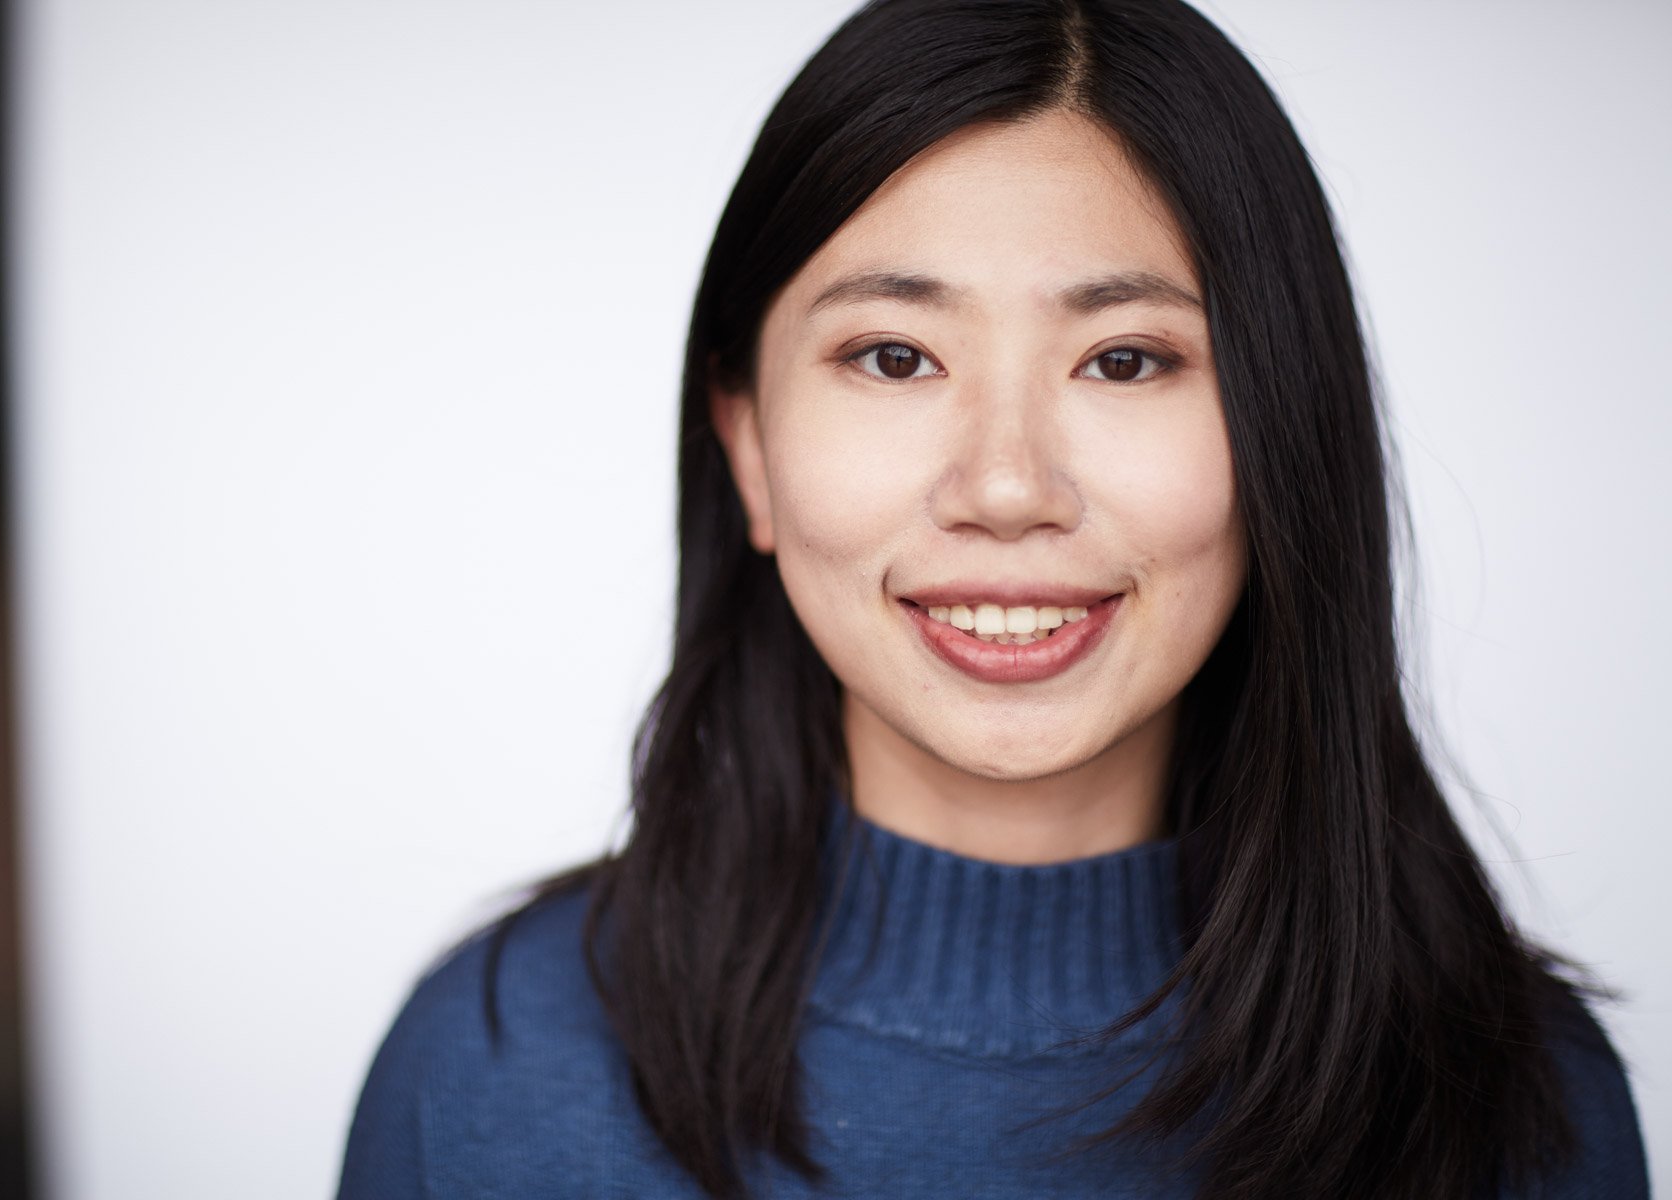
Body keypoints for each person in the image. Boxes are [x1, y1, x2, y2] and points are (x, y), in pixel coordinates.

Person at [337, 0, 1650, 1196]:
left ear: (1283, 435)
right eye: (895, 356)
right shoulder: (490, 1070)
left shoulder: (1523, 1096)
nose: (1008, 485)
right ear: (747, 447)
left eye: (1125, 359)